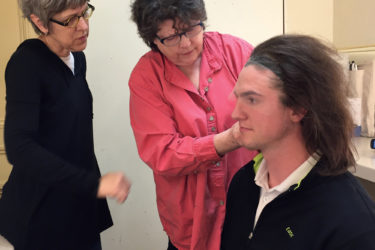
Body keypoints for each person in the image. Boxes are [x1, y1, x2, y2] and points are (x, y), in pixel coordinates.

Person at [220, 34, 375, 250]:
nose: (236, 113)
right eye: (238, 98)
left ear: (299, 108)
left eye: (252, 99)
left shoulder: (351, 223)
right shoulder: (243, 184)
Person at [0, 1, 131, 249]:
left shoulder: (77, 58)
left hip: (79, 205)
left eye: (84, 14)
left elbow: (71, 132)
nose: (83, 26)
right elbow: (19, 146)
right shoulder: (26, 64)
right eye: (70, 19)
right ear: (40, 23)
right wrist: (95, 183)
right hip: (43, 211)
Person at [129, 0, 257, 249]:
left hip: (248, 206)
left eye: (191, 29)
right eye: (173, 37)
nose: (186, 43)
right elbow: (161, 152)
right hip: (191, 219)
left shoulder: (235, 52)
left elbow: (274, 104)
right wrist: (227, 140)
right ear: (153, 39)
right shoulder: (147, 77)